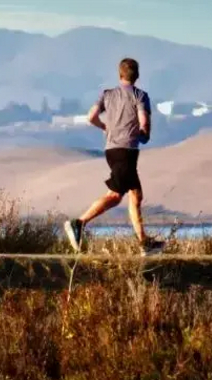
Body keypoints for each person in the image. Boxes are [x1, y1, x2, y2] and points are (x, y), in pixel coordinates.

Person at [64, 58, 165, 256]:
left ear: (120, 75)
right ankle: (78, 223)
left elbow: (91, 116)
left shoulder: (107, 94)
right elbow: (144, 122)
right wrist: (144, 133)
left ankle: (144, 243)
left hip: (111, 150)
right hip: (127, 150)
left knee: (135, 194)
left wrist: (105, 127)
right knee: (115, 195)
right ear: (137, 76)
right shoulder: (140, 96)